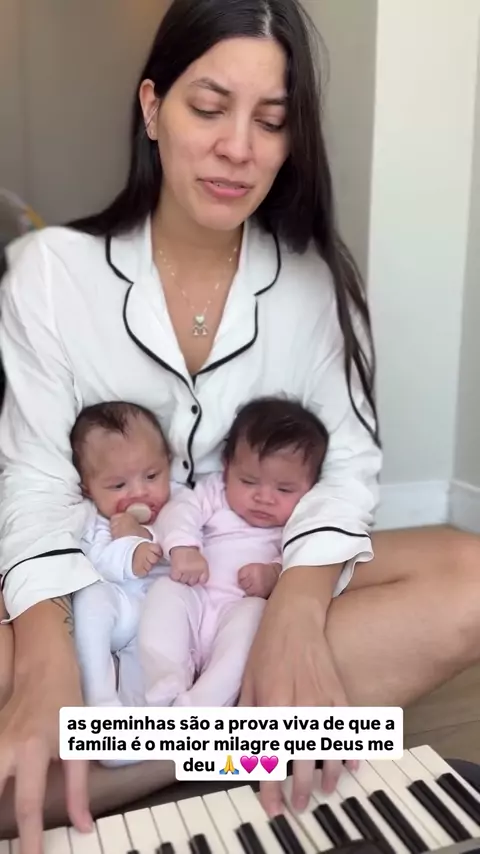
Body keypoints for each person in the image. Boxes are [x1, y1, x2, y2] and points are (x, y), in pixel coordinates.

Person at [0, 0, 479, 849]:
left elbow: (347, 467)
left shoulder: (316, 287)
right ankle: (247, 744)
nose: (238, 148)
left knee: (470, 578)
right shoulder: (49, 273)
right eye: (209, 107)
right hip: (100, 580)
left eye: (271, 120)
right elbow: (35, 478)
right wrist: (42, 658)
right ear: (153, 108)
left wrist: (297, 609)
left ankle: (118, 762)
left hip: (249, 576)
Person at [139, 395, 330, 708]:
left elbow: (302, 562)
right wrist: (184, 547)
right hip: (195, 593)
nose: (264, 497)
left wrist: (272, 574)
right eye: (249, 481)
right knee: (165, 591)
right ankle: (166, 678)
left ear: (310, 487)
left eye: (284, 489)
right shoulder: (215, 492)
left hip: (238, 608)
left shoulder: (300, 520)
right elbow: (180, 510)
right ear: (227, 468)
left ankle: (204, 702)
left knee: (255, 619)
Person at [69, 401, 171, 709]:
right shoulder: (93, 517)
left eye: (151, 476)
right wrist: (129, 549)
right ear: (88, 488)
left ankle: (137, 723)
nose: (139, 492)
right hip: (118, 605)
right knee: (90, 599)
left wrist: (145, 537)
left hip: (160, 612)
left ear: (168, 463)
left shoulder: (177, 507)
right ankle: (100, 701)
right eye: (117, 485)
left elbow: (185, 545)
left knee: (149, 672)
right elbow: (94, 561)